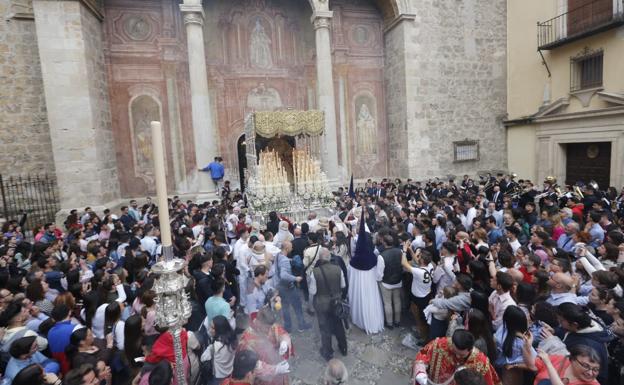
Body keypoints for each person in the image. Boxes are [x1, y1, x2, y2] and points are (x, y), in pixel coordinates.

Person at [412, 329, 501, 385]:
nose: (458, 357)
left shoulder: (481, 362)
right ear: (452, 342)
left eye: (462, 355)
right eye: (454, 352)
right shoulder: (439, 344)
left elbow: (491, 382)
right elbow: (422, 356)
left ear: (470, 349)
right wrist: (420, 373)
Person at [347, 212, 384, 334]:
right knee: (371, 302)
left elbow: (350, 276)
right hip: (371, 285)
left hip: (360, 287)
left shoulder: (354, 261)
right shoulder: (374, 257)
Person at [310, 247, 347, 361]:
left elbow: (313, 291)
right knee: (339, 326)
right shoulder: (338, 269)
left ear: (320, 259)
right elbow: (343, 285)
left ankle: (328, 352)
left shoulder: (314, 273)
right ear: (329, 257)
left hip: (321, 305)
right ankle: (343, 348)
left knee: (325, 329)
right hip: (336, 303)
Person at [237, 307, 291, 385]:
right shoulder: (246, 340)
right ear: (258, 322)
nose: (269, 331)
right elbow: (252, 365)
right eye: (266, 328)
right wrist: (275, 369)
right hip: (264, 380)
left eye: (270, 328)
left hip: (279, 369)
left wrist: (284, 341)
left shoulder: (269, 325)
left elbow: (280, 331)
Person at [526, 345, 601, 385]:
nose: (590, 373)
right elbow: (532, 365)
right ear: (572, 360)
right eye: (586, 366)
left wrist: (548, 364)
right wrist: (527, 346)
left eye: (595, 369)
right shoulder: (560, 359)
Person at [201, 315, 237, 385]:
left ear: (219, 329)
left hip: (217, 377)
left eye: (213, 328)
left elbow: (203, 358)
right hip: (229, 373)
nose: (210, 329)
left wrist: (209, 348)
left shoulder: (216, 346)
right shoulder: (232, 338)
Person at [377, 234, 403, 328]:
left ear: (384, 243)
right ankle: (397, 321)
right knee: (397, 301)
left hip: (386, 282)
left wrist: (379, 281)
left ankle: (390, 323)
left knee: (387, 303)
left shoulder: (381, 256)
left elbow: (379, 273)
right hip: (398, 280)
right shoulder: (400, 251)